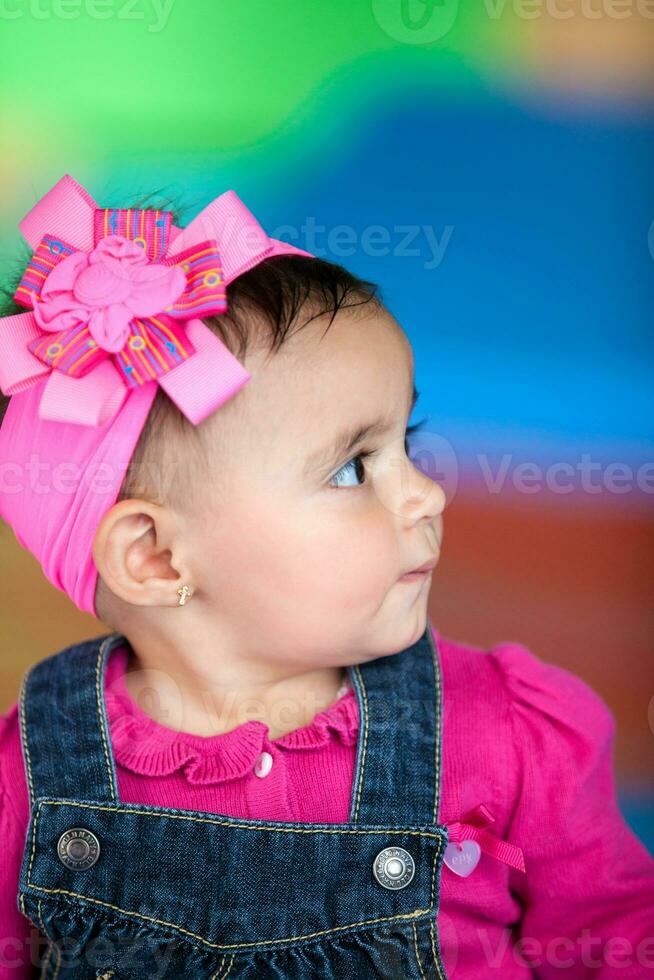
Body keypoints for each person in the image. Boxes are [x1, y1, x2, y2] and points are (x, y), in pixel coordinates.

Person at [0, 174, 652, 978]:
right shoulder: (34, 773)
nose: (426, 493)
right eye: (352, 469)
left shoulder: (508, 737)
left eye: (406, 441)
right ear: (156, 559)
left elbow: (615, 944)